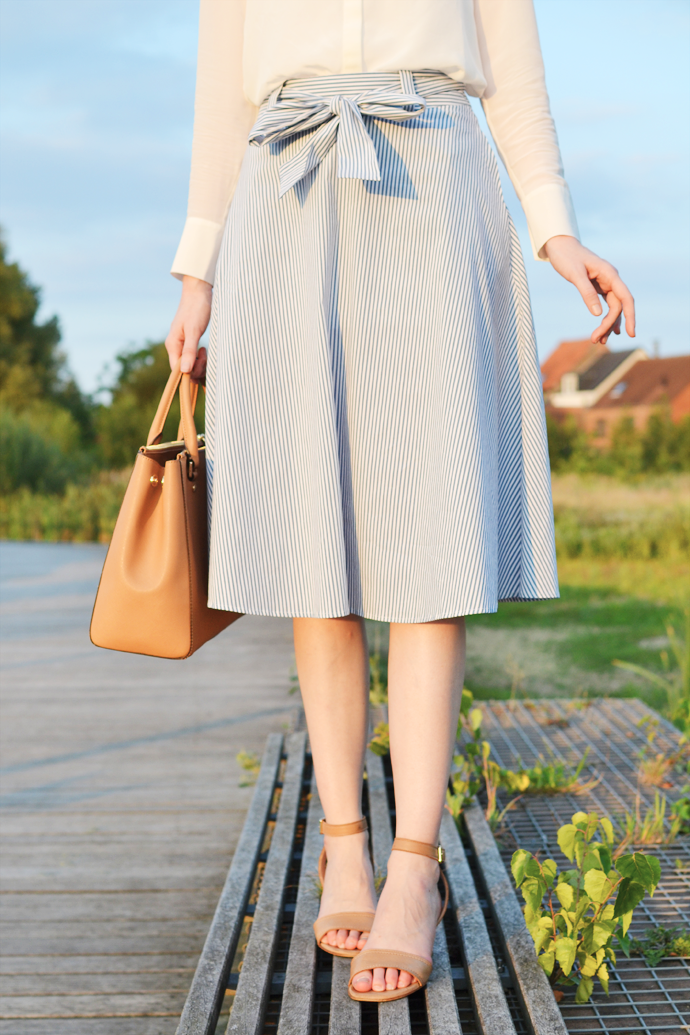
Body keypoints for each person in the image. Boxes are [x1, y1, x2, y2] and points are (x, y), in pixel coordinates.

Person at [165, 0, 635, 1004]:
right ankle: (345, 844)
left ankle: (412, 867)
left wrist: (555, 232)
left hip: (436, 185)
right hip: (283, 188)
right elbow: (220, 93)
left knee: (433, 535)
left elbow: (512, 72)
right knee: (310, 544)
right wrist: (198, 269)